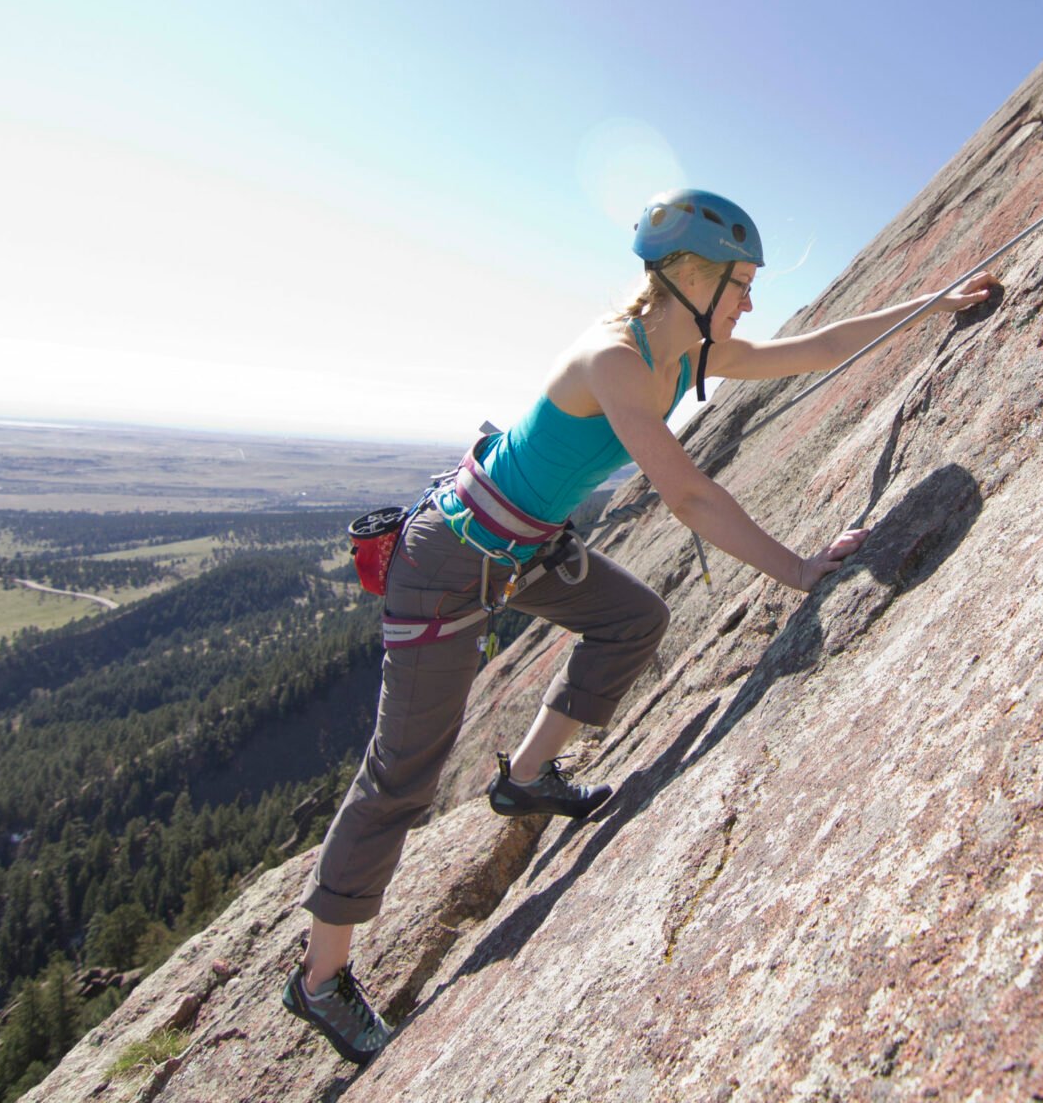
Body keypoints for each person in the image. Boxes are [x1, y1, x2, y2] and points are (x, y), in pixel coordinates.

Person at [281, 188, 999, 1064]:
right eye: (741, 282)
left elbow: (808, 351)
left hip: (520, 545)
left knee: (634, 619)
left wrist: (932, 303)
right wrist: (801, 570)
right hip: (448, 560)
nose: (748, 301)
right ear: (691, 276)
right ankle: (318, 980)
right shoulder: (617, 359)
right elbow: (687, 493)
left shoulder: (688, 345)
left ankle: (527, 778)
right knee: (403, 773)